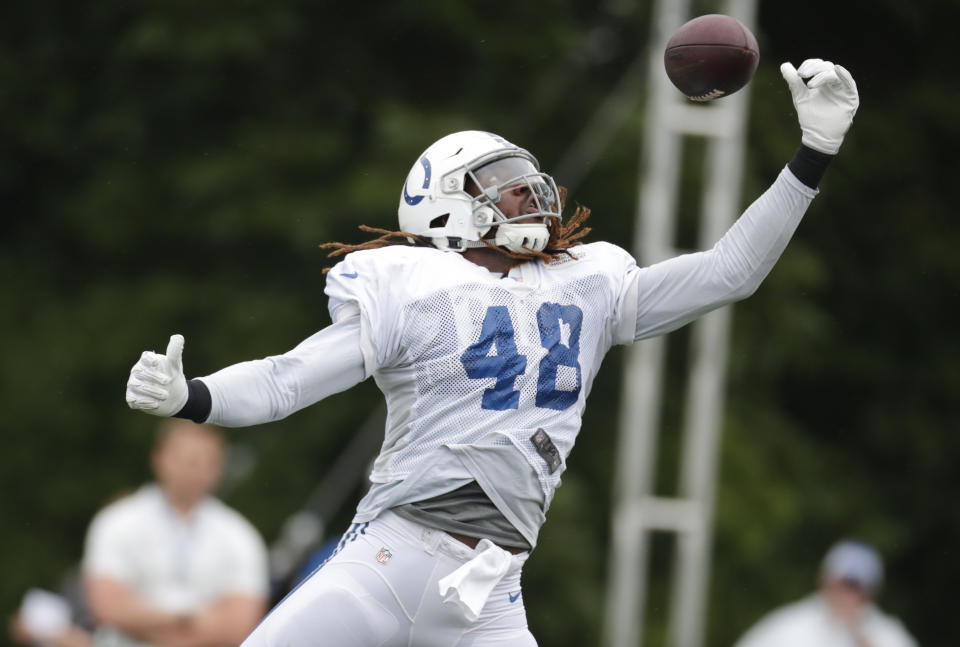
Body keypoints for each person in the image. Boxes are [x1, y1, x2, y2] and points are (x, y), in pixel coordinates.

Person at [124, 58, 859, 646]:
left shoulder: (588, 283)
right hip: (391, 558)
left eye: (522, 178)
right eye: (500, 185)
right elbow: (290, 380)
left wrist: (812, 156)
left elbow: (730, 272)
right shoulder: (414, 282)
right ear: (447, 205)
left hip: (491, 591)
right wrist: (196, 396)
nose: (527, 193)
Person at [81, 419, 269, 647]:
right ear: (159, 458)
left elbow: (242, 624)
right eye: (186, 460)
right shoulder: (116, 521)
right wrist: (188, 619)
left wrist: (144, 619)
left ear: (219, 468)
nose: (194, 470)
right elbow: (107, 605)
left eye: (205, 462)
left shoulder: (240, 535)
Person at [732, 539, 918, 647]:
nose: (849, 595)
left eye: (857, 587)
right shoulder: (787, 629)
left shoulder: (888, 635)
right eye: (844, 584)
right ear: (825, 582)